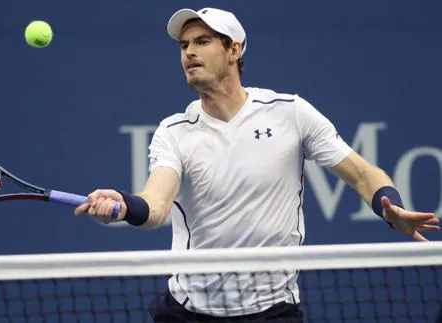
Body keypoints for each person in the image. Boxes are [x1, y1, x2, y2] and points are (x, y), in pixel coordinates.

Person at [74, 7, 440, 323]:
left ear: (234, 50)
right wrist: (122, 206)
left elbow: (362, 174)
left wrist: (388, 205)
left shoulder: (290, 113)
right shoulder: (173, 132)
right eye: (184, 45)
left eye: (202, 42)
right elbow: (155, 207)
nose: (188, 52)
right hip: (188, 311)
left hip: (273, 310)